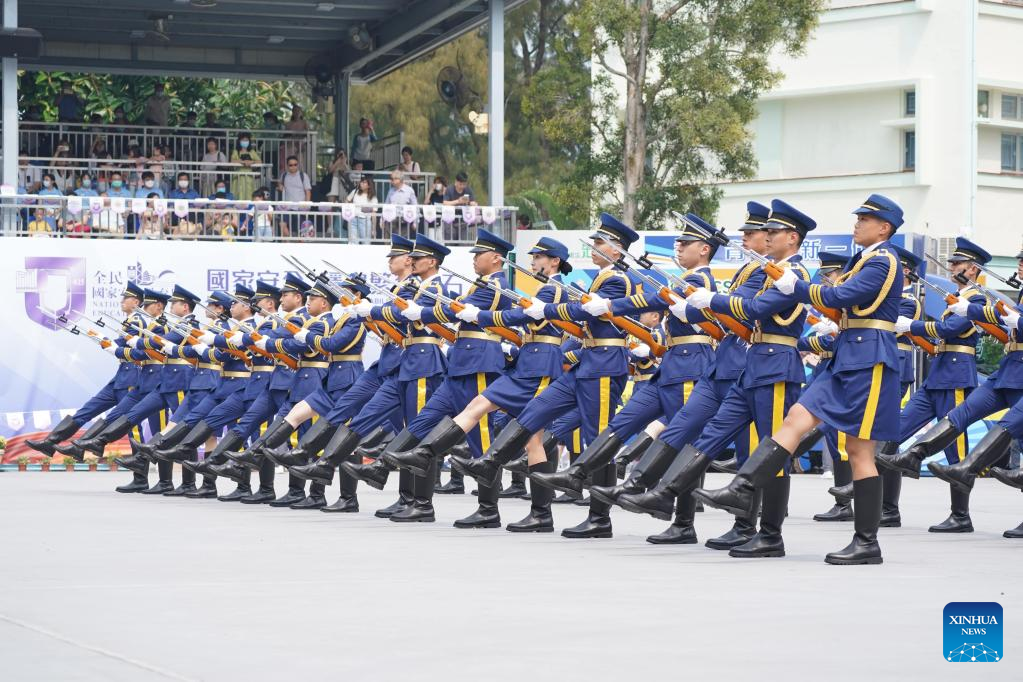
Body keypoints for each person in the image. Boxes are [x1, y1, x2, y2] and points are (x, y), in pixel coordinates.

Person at [688, 193, 906, 565]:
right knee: (795, 419)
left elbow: (840, 295)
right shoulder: (862, 259)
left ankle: (867, 542)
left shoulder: (883, 260)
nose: (856, 224)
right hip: (847, 355)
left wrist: (797, 287)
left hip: (870, 358)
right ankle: (742, 487)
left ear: (884, 228)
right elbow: (838, 302)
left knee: (859, 451)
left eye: (864, 220)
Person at [875, 237, 1006, 533]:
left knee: (955, 450)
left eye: (958, 263)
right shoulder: (957, 297)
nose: (952, 267)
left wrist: (912, 326)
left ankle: (960, 515)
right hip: (937, 376)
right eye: (952, 263)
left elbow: (951, 329)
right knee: (894, 431)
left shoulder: (976, 299)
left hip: (956, 376)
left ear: (973, 269)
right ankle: (887, 508)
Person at [27, 283, 144, 461]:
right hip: (121, 376)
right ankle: (51, 442)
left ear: (136, 302)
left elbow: (122, 345)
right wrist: (99, 338)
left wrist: (101, 339)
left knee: (128, 422)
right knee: (87, 410)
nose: (122, 301)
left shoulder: (137, 321)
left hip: (131, 377)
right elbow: (119, 344)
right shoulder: (130, 321)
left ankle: (139, 464)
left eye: (125, 298)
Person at [346, 177, 377, 244]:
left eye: (364, 182)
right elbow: (347, 200)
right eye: (361, 182)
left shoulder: (373, 197)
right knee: (353, 243)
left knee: (365, 244)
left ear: (369, 185)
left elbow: (374, 214)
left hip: (365, 221)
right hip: (353, 219)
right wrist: (349, 208)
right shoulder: (355, 191)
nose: (361, 184)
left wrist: (373, 229)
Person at [231, 132, 261, 203]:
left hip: (249, 177)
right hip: (238, 176)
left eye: (246, 140)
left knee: (249, 194)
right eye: (243, 140)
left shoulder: (252, 152)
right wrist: (242, 162)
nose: (245, 142)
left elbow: (259, 162)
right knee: (238, 193)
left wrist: (252, 162)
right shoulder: (236, 151)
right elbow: (232, 161)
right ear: (239, 141)